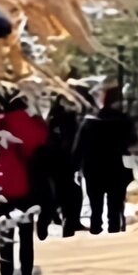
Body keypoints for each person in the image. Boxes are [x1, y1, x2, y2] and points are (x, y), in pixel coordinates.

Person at [0, 91, 49, 275]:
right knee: (26, 234)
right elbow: (43, 140)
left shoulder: (1, 123)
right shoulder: (33, 123)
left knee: (6, 235)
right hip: (28, 185)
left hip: (4, 186)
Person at [75, 83, 135, 234]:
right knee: (115, 204)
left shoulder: (90, 122)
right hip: (116, 167)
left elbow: (79, 146)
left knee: (95, 204)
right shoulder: (123, 121)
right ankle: (114, 229)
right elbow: (132, 141)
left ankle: (96, 227)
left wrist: (75, 167)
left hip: (93, 168)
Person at [35, 95, 84, 240]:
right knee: (68, 194)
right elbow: (73, 143)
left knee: (60, 195)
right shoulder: (66, 121)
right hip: (61, 162)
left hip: (55, 163)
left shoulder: (52, 121)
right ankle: (67, 222)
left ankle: (57, 221)